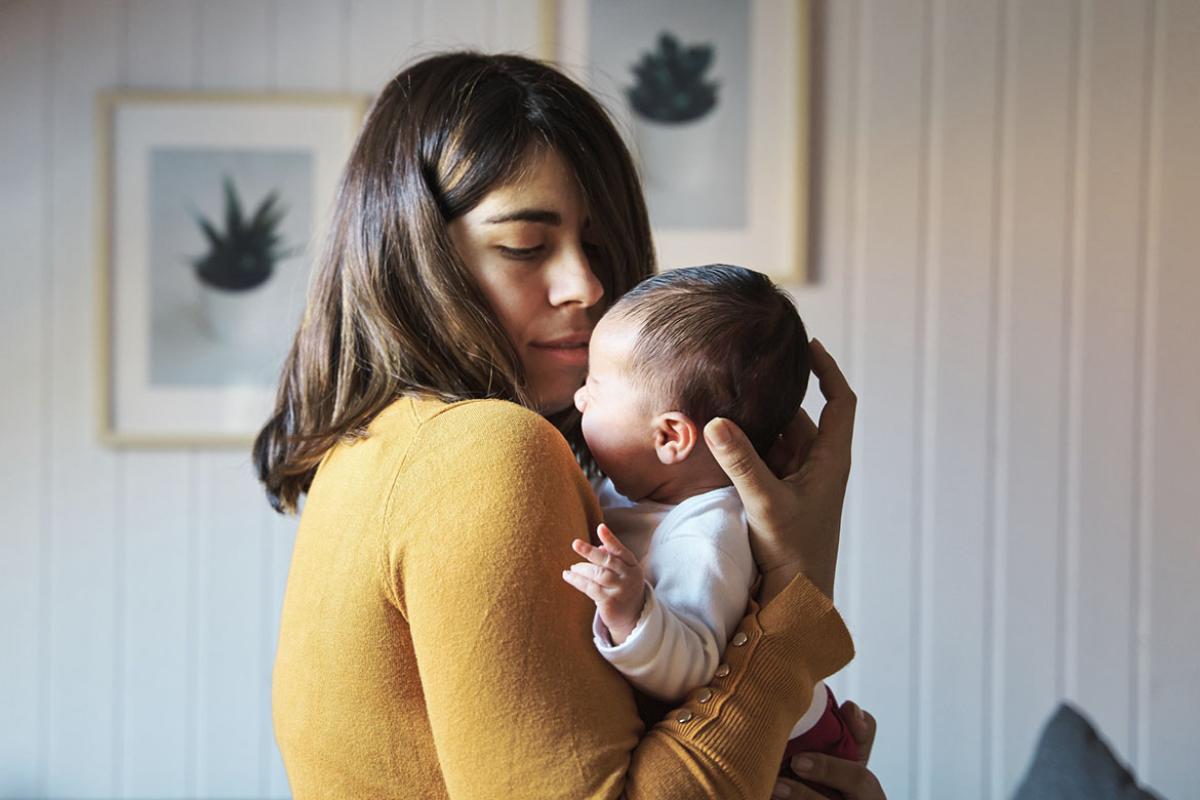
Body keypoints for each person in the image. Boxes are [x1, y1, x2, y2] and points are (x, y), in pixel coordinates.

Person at [254, 51, 885, 800]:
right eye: (526, 245)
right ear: (416, 256)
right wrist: (793, 598)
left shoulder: (375, 450)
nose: (585, 284)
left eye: (598, 243)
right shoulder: (482, 450)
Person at [563, 265, 861, 793]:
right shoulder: (642, 492)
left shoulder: (708, 536)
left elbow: (693, 667)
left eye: (595, 386)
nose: (579, 398)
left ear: (671, 437)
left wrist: (632, 612)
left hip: (786, 754)